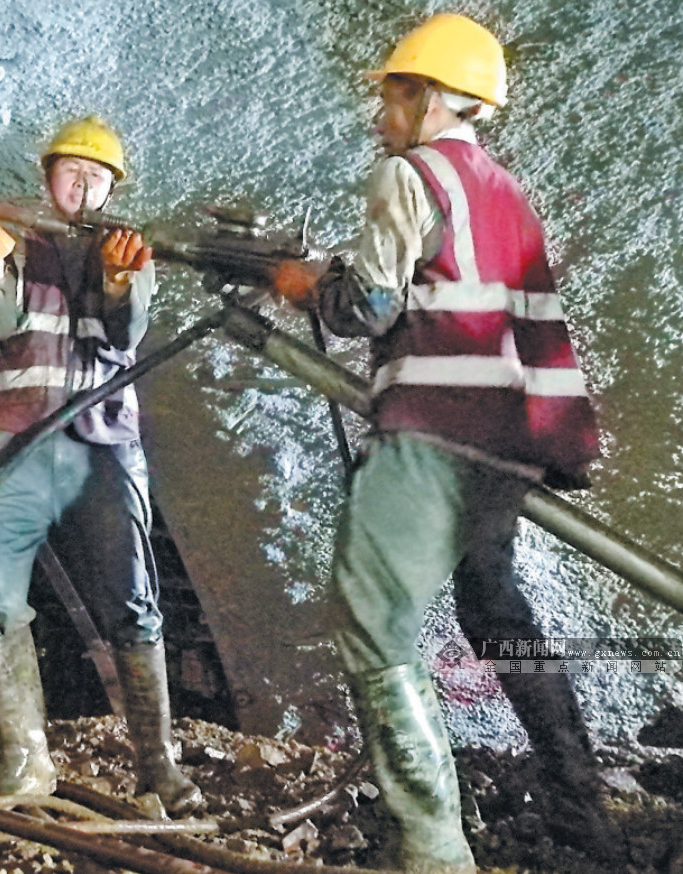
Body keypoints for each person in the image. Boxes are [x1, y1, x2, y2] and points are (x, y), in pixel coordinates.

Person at [272, 14, 617, 872]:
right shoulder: (504, 191)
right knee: (496, 611)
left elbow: (369, 308)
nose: (379, 112)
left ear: (431, 99)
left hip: (434, 429)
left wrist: (304, 283)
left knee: (369, 620)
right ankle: (584, 809)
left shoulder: (406, 175)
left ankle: (432, 850)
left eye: (392, 93)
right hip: (507, 438)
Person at [0, 116, 202, 814]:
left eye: (97, 178)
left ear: (112, 188)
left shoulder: (127, 250)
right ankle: (24, 763)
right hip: (15, 441)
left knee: (132, 600)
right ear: (47, 177)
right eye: (71, 173)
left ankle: (159, 769)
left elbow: (124, 335)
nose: (83, 187)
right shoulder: (14, 235)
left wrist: (121, 279)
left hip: (102, 449)